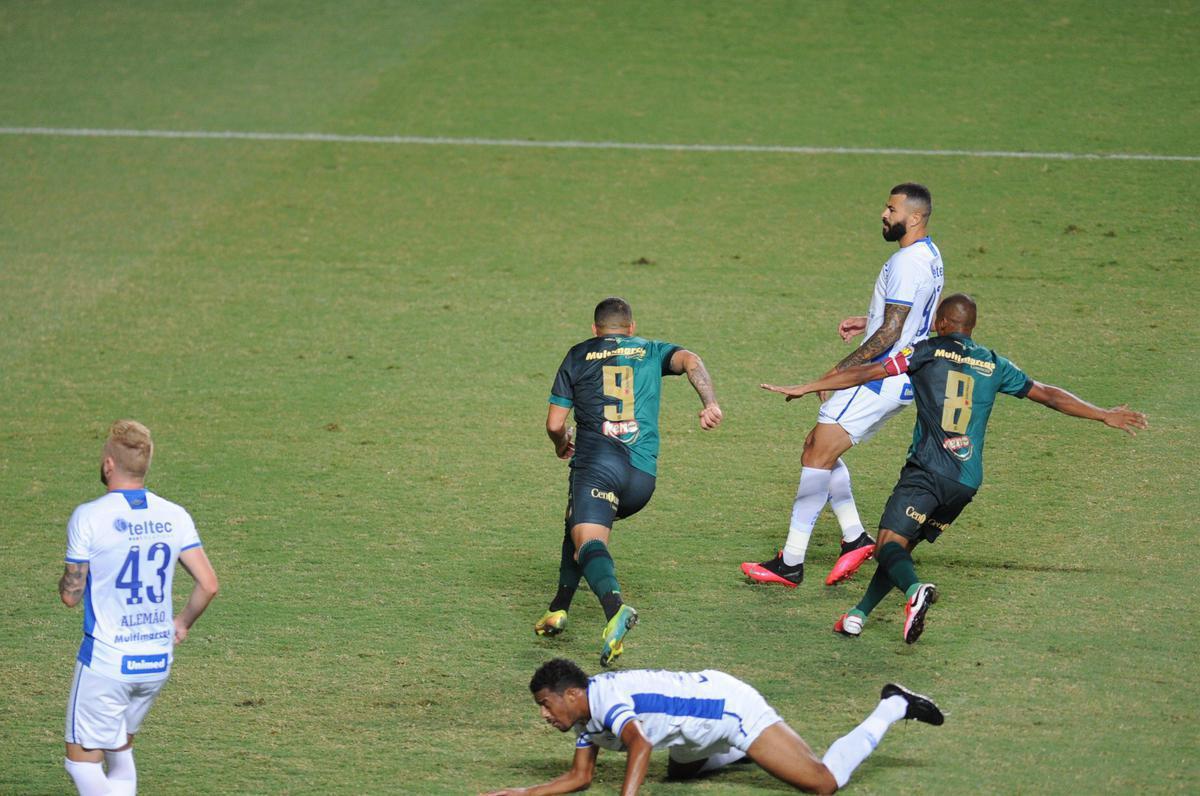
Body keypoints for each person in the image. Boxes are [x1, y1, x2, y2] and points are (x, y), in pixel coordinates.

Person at [761, 294, 1147, 643]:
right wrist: (1102, 415)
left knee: (887, 546)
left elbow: (868, 372)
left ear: (943, 323)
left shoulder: (926, 351)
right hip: (965, 482)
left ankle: (915, 593)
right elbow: (1047, 394)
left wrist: (811, 385)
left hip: (927, 471)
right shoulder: (994, 363)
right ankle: (858, 615)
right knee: (901, 549)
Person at [743, 183, 944, 589]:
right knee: (815, 446)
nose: (884, 215)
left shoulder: (906, 262)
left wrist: (838, 372)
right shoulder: (931, 255)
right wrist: (866, 321)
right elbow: (906, 318)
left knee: (817, 455)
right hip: (899, 373)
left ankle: (792, 563)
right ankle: (854, 537)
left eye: (891, 209)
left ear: (915, 217)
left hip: (878, 378)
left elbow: (891, 331)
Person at [535, 297, 722, 667]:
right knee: (576, 521)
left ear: (594, 329)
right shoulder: (651, 350)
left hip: (599, 467)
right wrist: (710, 402)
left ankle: (615, 609)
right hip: (642, 479)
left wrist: (562, 444)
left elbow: (555, 424)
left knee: (587, 538)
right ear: (631, 327)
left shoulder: (577, 355)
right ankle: (559, 607)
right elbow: (691, 361)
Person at [483, 658, 943, 795]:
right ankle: (739, 756)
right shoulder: (585, 717)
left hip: (729, 709)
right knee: (679, 772)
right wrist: (522, 794)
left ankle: (893, 705)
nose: (544, 715)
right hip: (692, 730)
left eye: (546, 705)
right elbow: (580, 777)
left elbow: (640, 747)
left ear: (570, 695)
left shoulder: (606, 701)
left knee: (823, 783)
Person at [58, 420, 219, 795]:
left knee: (80, 765)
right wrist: (180, 624)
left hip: (107, 663)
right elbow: (209, 584)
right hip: (156, 660)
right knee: (120, 748)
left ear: (109, 465)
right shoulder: (175, 515)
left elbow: (71, 595)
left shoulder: (89, 516)